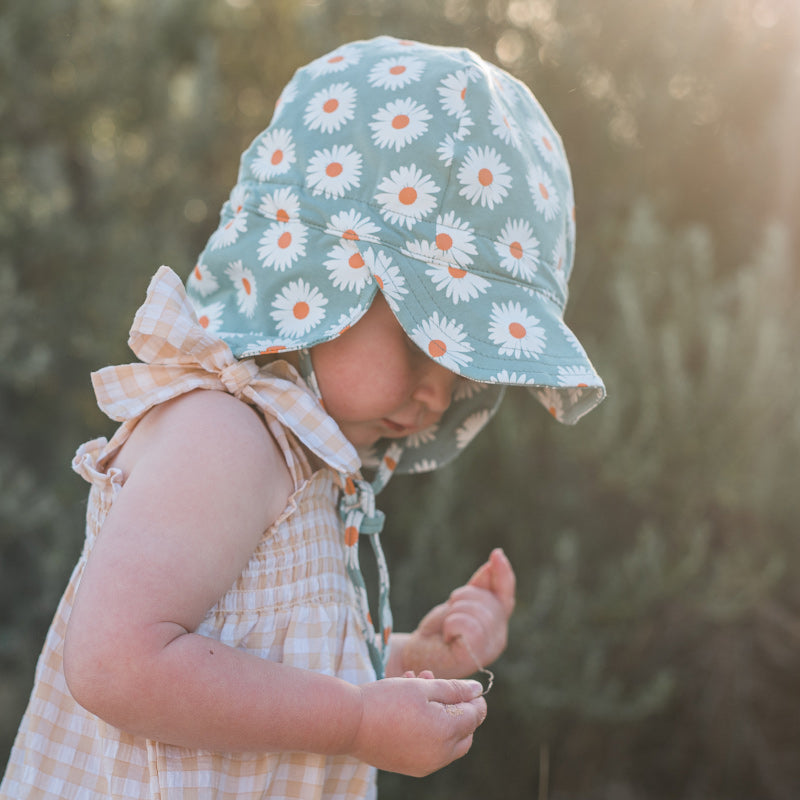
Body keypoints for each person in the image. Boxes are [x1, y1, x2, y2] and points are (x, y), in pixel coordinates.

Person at [1, 35, 605, 799]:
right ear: (321, 276)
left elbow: (270, 669)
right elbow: (116, 663)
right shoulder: (222, 433)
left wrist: (415, 662)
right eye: (425, 337)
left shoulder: (301, 463)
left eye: (465, 366)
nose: (439, 392)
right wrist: (355, 723)